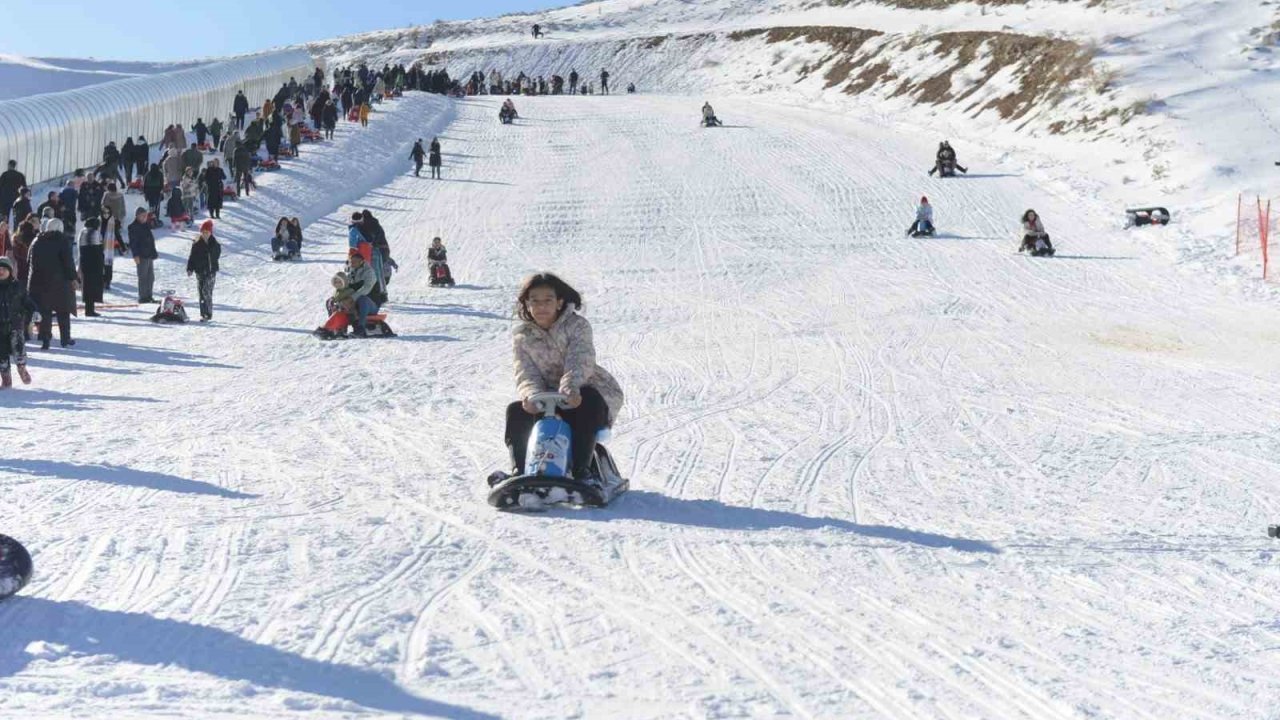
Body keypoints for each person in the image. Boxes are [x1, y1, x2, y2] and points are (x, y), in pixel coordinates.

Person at [503, 273, 623, 484]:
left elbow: (580, 359)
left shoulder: (577, 326)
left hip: (585, 389)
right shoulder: (522, 337)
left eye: (548, 300)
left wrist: (571, 388)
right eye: (535, 301)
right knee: (516, 410)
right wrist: (531, 396)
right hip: (547, 397)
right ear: (527, 304)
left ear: (559, 303)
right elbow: (525, 372)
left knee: (588, 400)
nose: (541, 306)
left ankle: (581, 472)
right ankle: (520, 472)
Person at [27, 218, 77, 349]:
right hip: (59, 283)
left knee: (45, 312)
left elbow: (29, 262)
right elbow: (68, 261)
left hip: (40, 282)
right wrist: (73, 278)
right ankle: (65, 338)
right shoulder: (62, 240)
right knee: (63, 311)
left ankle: (45, 339)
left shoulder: (37, 240)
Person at [0, 257, 37, 387]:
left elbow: (29, 303)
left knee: (18, 348)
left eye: (4, 269)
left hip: (16, 325)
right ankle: (6, 377)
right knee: (1, 354)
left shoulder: (18, 287)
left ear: (10, 271)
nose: (1, 271)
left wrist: (34, 313)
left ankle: (21, 368)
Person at [187, 220, 221, 321]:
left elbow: (216, 256)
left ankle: (208, 313)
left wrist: (210, 251)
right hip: (199, 271)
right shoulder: (197, 244)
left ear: (211, 232)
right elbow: (192, 257)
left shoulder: (215, 244)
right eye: (203, 232)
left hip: (210, 272)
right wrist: (190, 268)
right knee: (201, 293)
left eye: (207, 232)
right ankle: (203, 313)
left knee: (206, 291)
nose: (205, 234)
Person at [77, 216, 106, 317]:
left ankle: (89, 309)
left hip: (84, 261)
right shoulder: (95, 233)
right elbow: (98, 249)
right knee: (92, 286)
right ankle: (90, 310)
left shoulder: (82, 232)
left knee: (87, 286)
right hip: (94, 263)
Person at [128, 207, 158, 302]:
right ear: (137, 216)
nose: (145, 218)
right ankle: (143, 297)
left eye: (146, 216)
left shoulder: (146, 225)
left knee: (150, 277)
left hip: (149, 254)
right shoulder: (133, 227)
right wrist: (135, 255)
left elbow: (153, 230)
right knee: (143, 277)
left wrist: (153, 218)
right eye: (143, 216)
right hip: (141, 255)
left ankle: (149, 295)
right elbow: (133, 243)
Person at [345, 250, 377, 337]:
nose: (352, 264)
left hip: (371, 304)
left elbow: (366, 288)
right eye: (351, 262)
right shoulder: (351, 272)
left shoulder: (369, 272)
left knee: (362, 299)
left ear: (361, 262)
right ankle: (336, 326)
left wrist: (352, 298)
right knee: (332, 300)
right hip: (354, 303)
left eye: (354, 262)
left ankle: (360, 328)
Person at [100, 206, 122, 290]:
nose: (106, 215)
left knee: (108, 265)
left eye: (108, 213)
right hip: (99, 245)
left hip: (108, 247)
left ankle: (107, 281)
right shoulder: (98, 221)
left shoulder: (113, 222)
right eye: (104, 213)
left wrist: (123, 246)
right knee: (100, 264)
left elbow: (117, 234)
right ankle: (101, 281)